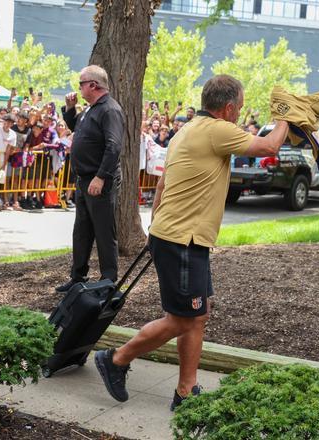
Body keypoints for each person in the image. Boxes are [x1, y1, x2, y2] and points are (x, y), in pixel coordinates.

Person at [93, 74, 289, 410]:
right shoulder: (216, 129)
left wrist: (157, 226)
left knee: (198, 314)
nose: (240, 114)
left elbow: (164, 184)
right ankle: (116, 360)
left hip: (178, 237)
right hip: (182, 240)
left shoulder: (186, 131)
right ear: (228, 108)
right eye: (239, 108)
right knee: (184, 318)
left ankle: (185, 391)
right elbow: (269, 146)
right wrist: (287, 116)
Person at [56, 65, 124, 292]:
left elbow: (113, 147)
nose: (79, 88)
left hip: (99, 180)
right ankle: (78, 277)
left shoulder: (109, 110)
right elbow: (78, 127)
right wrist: (69, 108)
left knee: (104, 231)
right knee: (82, 230)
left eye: (81, 84)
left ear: (93, 85)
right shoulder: (90, 109)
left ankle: (108, 279)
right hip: (84, 180)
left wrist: (101, 177)